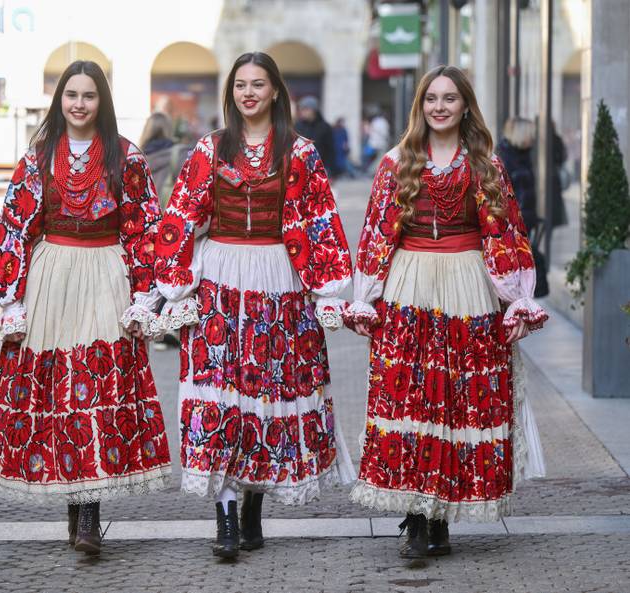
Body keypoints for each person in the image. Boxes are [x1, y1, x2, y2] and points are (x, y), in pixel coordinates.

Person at [152, 52, 355, 560]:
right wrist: (174, 288)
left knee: (264, 394)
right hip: (219, 278)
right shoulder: (210, 149)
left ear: (274, 92)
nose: (248, 93)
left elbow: (322, 220)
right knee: (219, 395)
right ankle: (224, 514)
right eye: (240, 84)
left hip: (279, 279)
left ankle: (252, 507)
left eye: (257, 84)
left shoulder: (301, 152)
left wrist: (329, 289)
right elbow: (177, 216)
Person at [346, 66, 548, 559]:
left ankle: (441, 517)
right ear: (421, 105)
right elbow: (376, 233)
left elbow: (505, 232)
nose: (440, 106)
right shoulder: (397, 162)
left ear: (464, 106)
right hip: (409, 282)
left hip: (467, 282)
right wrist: (365, 295)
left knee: (458, 398)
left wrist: (515, 293)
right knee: (412, 398)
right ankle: (416, 518)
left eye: (450, 98)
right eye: (432, 98)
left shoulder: (485, 165)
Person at [0, 60, 172, 557]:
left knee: (96, 387)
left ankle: (88, 513)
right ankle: (75, 503)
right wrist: (10, 296)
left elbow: (144, 228)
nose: (80, 104)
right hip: (52, 275)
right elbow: (14, 226)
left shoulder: (126, 157)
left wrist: (144, 294)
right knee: (59, 392)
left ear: (101, 102)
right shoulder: (38, 158)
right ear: (59, 100)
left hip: (107, 272)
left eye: (89, 95)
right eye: (72, 95)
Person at [497, 118, 549, 298]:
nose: (533, 139)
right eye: (530, 135)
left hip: (525, 224)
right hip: (511, 226)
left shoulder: (523, 155)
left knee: (525, 271)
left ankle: (522, 306)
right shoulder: (504, 158)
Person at [139, 112, 189, 211]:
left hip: (144, 218)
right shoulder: (179, 155)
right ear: (169, 130)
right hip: (169, 215)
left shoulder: (135, 157)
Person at [294, 95, 336, 176]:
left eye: (306, 109)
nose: (302, 112)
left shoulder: (325, 127)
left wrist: (331, 171)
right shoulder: (297, 126)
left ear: (314, 110)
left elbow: (331, 150)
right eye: (301, 109)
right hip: (300, 169)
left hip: (320, 168)